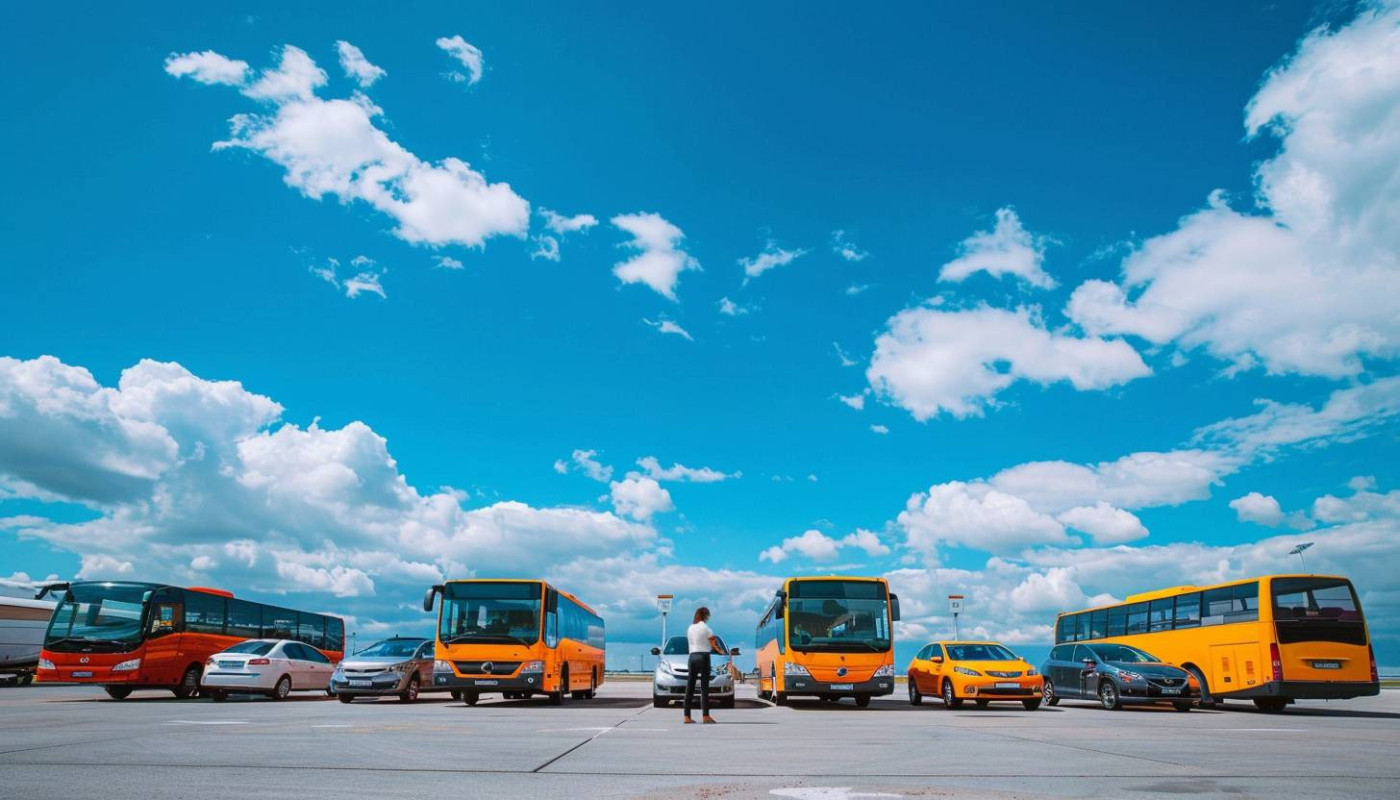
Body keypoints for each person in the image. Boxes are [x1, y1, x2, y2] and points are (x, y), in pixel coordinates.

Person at [683, 606, 725, 724]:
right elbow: (713, 644)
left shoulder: (690, 628)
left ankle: (686, 716)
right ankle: (706, 716)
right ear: (706, 616)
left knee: (690, 687)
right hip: (703, 657)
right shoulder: (706, 628)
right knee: (704, 688)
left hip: (692, 657)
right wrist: (721, 651)